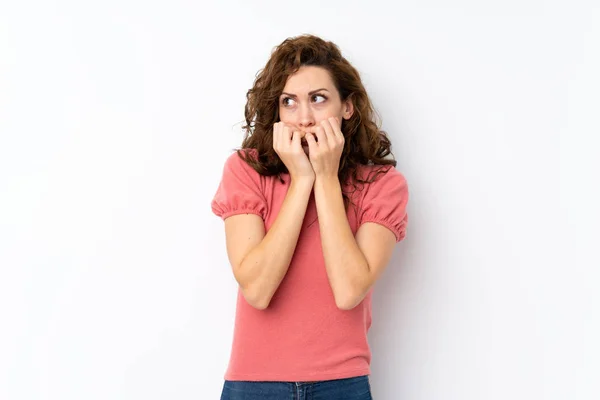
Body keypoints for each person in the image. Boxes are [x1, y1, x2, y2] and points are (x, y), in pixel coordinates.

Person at [211, 34, 409, 400]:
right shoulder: (245, 171)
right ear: (277, 111)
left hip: (341, 385)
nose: (304, 118)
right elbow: (257, 289)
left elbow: (350, 290)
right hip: (254, 385)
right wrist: (303, 179)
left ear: (347, 107)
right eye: (290, 102)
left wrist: (326, 177)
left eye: (319, 99)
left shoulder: (382, 185)